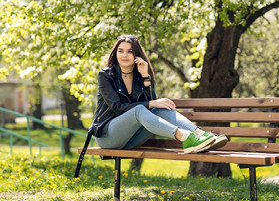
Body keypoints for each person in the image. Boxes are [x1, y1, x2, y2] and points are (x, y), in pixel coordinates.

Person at [74, 35, 227, 177]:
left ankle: (199, 134)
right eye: (121, 51)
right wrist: (152, 103)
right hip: (107, 135)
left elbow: (154, 110)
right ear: (116, 54)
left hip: (131, 139)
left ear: (136, 55)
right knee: (141, 109)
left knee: (159, 108)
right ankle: (185, 137)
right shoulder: (106, 75)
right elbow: (118, 107)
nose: (125, 55)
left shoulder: (142, 75)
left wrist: (145, 77)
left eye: (129, 51)